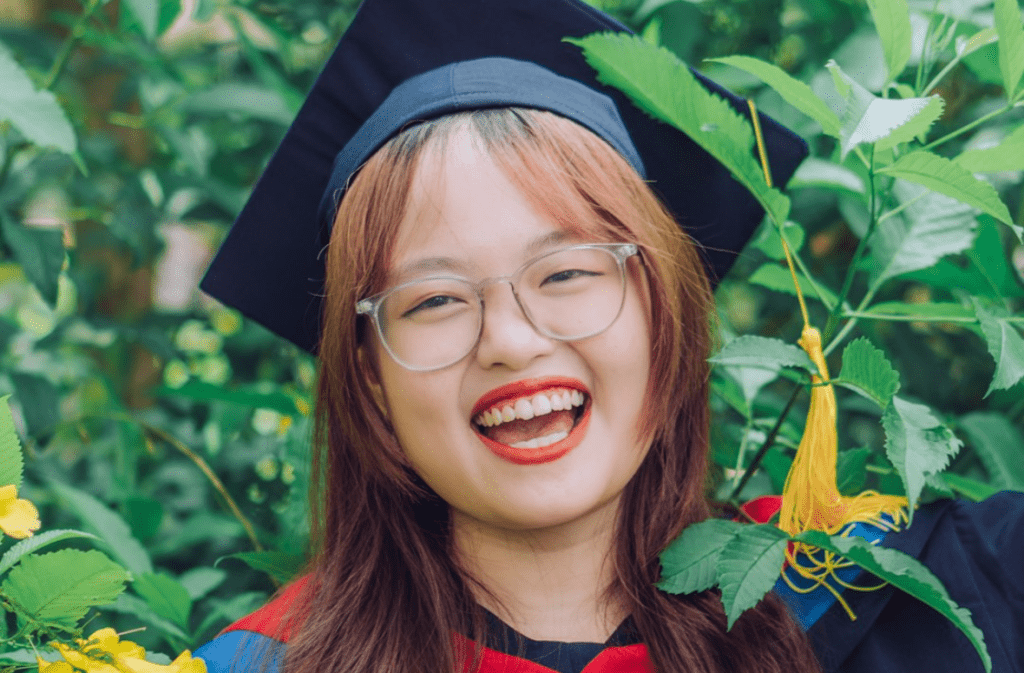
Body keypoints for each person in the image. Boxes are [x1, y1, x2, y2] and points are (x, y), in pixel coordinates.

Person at [193, 0, 1024, 671]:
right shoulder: (262, 663)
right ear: (370, 376)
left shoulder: (915, 598)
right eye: (436, 299)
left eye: (567, 273)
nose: (511, 342)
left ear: (665, 311)